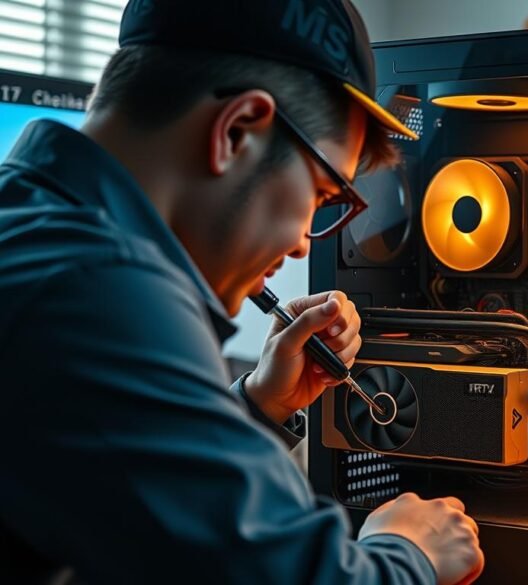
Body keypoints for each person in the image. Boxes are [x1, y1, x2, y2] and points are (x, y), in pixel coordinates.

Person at [0, 1, 484, 583]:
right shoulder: (96, 288)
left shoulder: (33, 230)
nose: (303, 245)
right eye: (321, 196)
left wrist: (257, 405)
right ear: (237, 132)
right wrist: (408, 552)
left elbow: (133, 487)